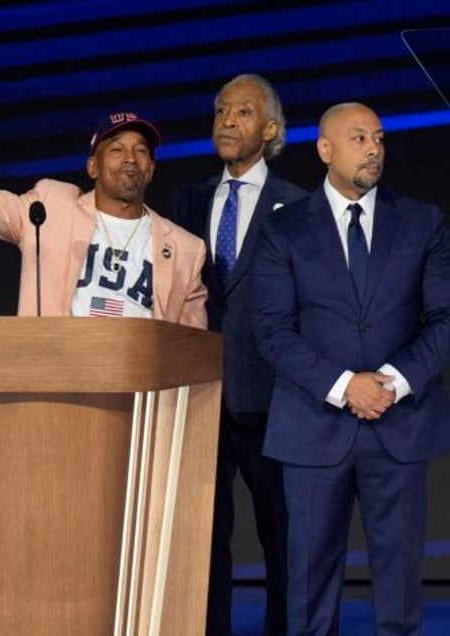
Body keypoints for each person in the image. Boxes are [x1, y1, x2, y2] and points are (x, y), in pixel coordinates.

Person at [251, 102, 450, 635]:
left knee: (402, 595)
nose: (374, 148)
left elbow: (444, 317)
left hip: (400, 423)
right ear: (325, 150)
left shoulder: (422, 221)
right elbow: (271, 329)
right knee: (309, 599)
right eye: (359, 138)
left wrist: (391, 383)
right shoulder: (283, 229)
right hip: (313, 428)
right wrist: (345, 387)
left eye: (380, 138)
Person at [0, 58, 207, 326]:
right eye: (117, 149)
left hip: (138, 379)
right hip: (58, 375)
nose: (130, 158)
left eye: (140, 151)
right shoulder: (49, 208)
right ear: (92, 166)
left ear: (152, 169)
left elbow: (192, 352)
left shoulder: (185, 250)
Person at [170, 74, 305, 635]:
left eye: (242, 112)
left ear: (270, 129)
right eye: (221, 109)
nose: (226, 119)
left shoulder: (299, 208)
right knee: (203, 539)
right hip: (201, 396)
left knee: (281, 537)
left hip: (273, 399)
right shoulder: (188, 200)